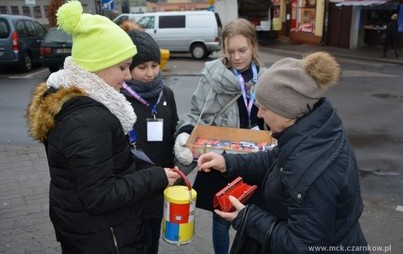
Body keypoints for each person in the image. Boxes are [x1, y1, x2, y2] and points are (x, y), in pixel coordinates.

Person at [25, 1, 180, 253]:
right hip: (106, 237)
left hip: (90, 231)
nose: (128, 76)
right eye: (122, 67)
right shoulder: (87, 120)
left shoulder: (79, 106)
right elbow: (100, 197)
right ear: (97, 65)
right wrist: (155, 176)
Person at [196, 51, 369, 253]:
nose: (259, 114)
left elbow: (301, 247)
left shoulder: (310, 170)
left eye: (264, 108)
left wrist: (248, 218)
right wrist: (228, 163)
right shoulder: (311, 131)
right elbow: (276, 158)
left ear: (287, 112)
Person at [174, 18, 266, 254]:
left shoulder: (266, 78)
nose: (236, 57)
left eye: (242, 50)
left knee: (255, 219)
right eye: (231, 50)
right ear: (224, 49)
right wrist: (185, 135)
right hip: (220, 159)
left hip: (255, 161)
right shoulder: (212, 76)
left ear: (253, 47)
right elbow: (196, 114)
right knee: (221, 219)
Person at [120, 20, 179, 254]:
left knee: (153, 241)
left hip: (160, 182)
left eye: (154, 65)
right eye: (142, 67)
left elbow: (173, 132)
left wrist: (182, 146)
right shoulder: (121, 98)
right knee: (135, 242)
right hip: (133, 186)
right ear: (129, 68)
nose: (150, 73)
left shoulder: (167, 93)